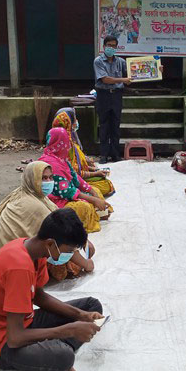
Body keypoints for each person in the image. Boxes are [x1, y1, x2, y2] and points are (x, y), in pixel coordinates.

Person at [0, 208, 104, 371]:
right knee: (64, 356)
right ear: (50, 243)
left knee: (92, 306)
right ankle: (54, 350)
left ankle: (52, 346)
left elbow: (39, 296)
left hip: (24, 323)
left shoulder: (35, 250)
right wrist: (69, 330)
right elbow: (14, 338)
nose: (70, 256)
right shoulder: (19, 268)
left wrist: (80, 315)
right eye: (68, 251)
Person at [0, 161, 95, 281]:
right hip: (12, 261)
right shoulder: (32, 205)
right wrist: (86, 264)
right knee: (66, 267)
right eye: (44, 178)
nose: (49, 181)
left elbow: (61, 220)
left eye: (50, 177)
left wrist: (84, 240)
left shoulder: (34, 194)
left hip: (15, 251)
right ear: (32, 179)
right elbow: (61, 234)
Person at [39, 128, 111, 233]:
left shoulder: (61, 159)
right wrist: (93, 200)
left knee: (96, 191)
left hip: (68, 195)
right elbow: (67, 191)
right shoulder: (52, 163)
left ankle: (97, 211)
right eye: (66, 143)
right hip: (55, 201)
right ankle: (93, 213)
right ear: (60, 144)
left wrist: (92, 191)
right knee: (83, 207)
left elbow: (76, 177)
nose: (69, 146)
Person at [52, 108, 115, 197]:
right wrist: (95, 173)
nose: (76, 122)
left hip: (75, 179)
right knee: (104, 185)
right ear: (68, 123)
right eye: (74, 119)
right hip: (68, 182)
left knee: (103, 184)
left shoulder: (70, 138)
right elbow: (73, 172)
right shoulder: (65, 145)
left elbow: (77, 164)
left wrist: (92, 168)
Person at [94, 36, 131, 164]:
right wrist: (123, 80)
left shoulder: (121, 62)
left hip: (117, 95)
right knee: (104, 125)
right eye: (109, 45)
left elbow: (132, 77)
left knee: (115, 125)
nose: (111, 48)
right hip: (103, 95)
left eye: (114, 45)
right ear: (104, 47)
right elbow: (105, 79)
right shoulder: (98, 61)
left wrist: (156, 70)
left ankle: (115, 154)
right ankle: (103, 155)